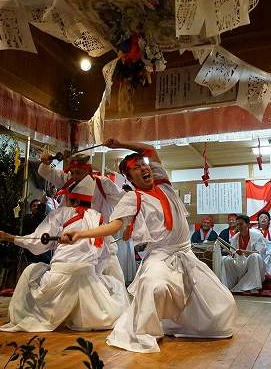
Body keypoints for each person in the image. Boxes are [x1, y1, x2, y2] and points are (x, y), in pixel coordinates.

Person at [61, 139, 236, 353]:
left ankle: (172, 323)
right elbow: (113, 225)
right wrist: (81, 233)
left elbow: (149, 149)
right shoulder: (133, 198)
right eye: (136, 168)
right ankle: (145, 331)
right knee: (154, 285)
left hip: (185, 255)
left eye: (144, 165)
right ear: (129, 177)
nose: (144, 168)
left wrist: (118, 143)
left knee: (220, 310)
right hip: (160, 256)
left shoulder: (164, 184)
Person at [0, 180, 128, 333]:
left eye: (65, 199)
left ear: (73, 200)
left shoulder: (62, 213)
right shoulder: (99, 219)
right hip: (87, 280)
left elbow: (37, 241)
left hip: (58, 278)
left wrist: (9, 237)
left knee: (32, 271)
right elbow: (104, 255)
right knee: (113, 286)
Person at [39, 152, 129, 283]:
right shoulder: (68, 179)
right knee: (65, 272)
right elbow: (46, 172)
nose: (75, 176)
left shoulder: (102, 183)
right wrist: (46, 162)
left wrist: (127, 224)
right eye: (73, 172)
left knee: (106, 272)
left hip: (97, 233)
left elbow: (123, 201)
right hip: (71, 233)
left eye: (79, 172)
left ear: (89, 171)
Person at [219, 215, 266, 293]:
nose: (239, 226)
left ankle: (253, 286)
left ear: (248, 224)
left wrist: (243, 252)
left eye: (241, 224)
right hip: (240, 264)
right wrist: (232, 253)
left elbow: (260, 253)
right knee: (225, 259)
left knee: (255, 256)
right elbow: (232, 254)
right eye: (237, 224)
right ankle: (229, 285)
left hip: (254, 266)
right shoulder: (235, 238)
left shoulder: (257, 235)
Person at [21, 199, 51, 264]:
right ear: (30, 208)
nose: (36, 207)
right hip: (31, 248)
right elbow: (36, 221)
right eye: (34, 206)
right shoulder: (27, 218)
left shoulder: (46, 219)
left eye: (38, 206)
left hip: (44, 248)